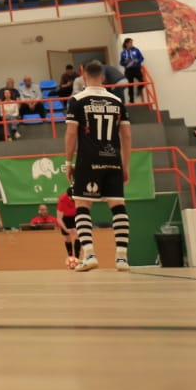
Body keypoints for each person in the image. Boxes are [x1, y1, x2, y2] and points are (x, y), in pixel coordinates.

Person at [66, 61, 132, 272]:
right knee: (118, 205)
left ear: (83, 76)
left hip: (88, 160)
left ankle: (90, 254)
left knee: (82, 206)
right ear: (103, 77)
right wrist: (126, 165)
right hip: (113, 159)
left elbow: (71, 134)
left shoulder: (77, 100)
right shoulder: (117, 100)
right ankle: (122, 258)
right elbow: (127, 136)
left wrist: (68, 162)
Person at [56, 189, 81, 268]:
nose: (73, 200)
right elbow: (59, 218)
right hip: (65, 218)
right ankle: (70, 257)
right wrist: (66, 229)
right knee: (68, 238)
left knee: (78, 236)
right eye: (71, 198)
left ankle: (77, 259)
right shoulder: (63, 199)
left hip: (75, 216)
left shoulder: (78, 198)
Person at [119, 38, 145, 103]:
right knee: (130, 86)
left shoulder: (136, 50)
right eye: (130, 43)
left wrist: (138, 60)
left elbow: (142, 58)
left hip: (136, 69)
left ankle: (139, 88)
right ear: (126, 44)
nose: (131, 44)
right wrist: (125, 62)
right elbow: (121, 63)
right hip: (128, 70)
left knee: (142, 82)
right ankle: (131, 101)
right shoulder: (123, 52)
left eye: (132, 42)